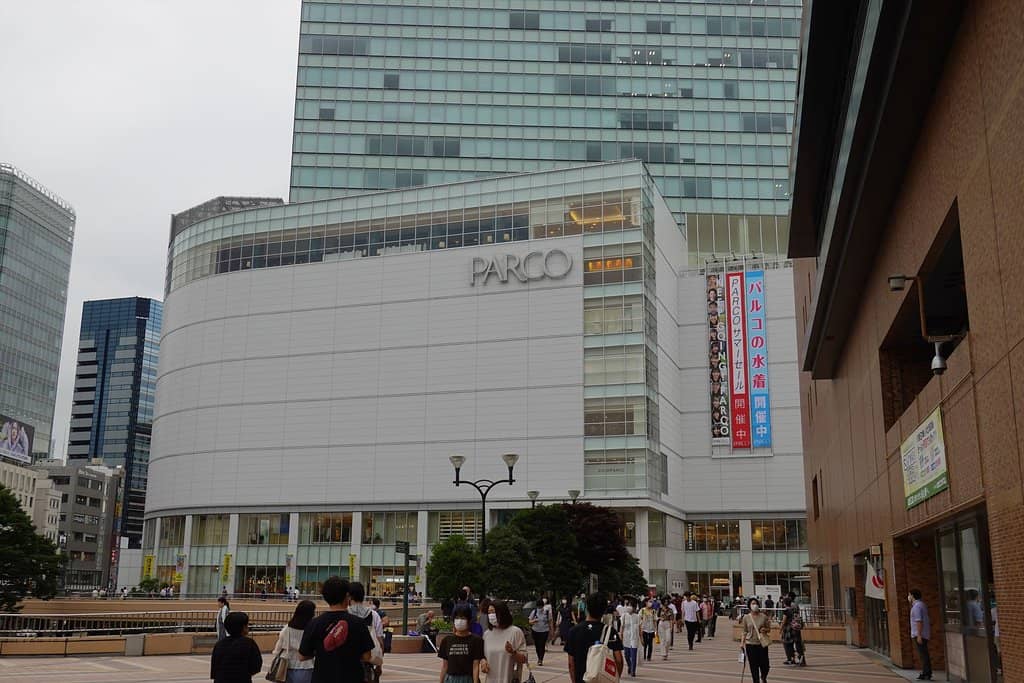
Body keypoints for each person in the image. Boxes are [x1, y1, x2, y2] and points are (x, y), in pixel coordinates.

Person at [298, 576, 375, 683]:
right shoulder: (358, 623)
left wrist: (322, 651)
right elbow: (367, 656)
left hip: (322, 677)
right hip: (352, 677)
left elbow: (302, 656)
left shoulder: (314, 623)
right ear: (347, 596)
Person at [565, 593, 623, 683]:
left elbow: (571, 663)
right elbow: (619, 660)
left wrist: (574, 680)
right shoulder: (610, 632)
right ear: (604, 610)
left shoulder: (574, 631)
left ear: (587, 608)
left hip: (582, 679)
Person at [481, 601, 527, 683]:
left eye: (493, 612)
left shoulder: (515, 632)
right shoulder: (486, 634)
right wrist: (483, 662)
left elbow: (524, 659)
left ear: (502, 612)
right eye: (489, 612)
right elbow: (483, 656)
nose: (491, 615)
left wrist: (513, 652)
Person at [210, 611, 263, 683]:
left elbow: (214, 668)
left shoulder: (219, 644)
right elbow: (256, 666)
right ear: (244, 627)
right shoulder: (249, 643)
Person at [273, 599, 317, 683]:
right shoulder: (312, 628)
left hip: (286, 667)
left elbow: (278, 648)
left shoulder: (287, 628)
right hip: (306, 666)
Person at [438, 604, 484, 683]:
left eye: (463, 618)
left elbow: (475, 666)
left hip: (467, 679)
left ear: (469, 621)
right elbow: (445, 666)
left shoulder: (476, 640)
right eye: (457, 618)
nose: (459, 621)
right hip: (450, 679)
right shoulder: (446, 640)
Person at [349, 582, 384, 683]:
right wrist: (379, 665)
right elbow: (380, 641)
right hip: (367, 663)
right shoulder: (374, 615)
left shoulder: (344, 614)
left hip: (347, 664)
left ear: (349, 596)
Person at [739, 598, 771, 683]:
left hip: (762, 644)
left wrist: (765, 629)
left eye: (756, 603)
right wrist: (742, 643)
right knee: (754, 666)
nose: (755, 605)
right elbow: (744, 631)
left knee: (765, 665)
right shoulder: (746, 617)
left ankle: (763, 677)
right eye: (752, 603)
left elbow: (769, 629)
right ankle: (756, 681)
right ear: (749, 606)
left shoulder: (763, 616)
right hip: (750, 644)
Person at [909, 589, 932, 681]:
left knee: (923, 654)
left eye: (909, 595)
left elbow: (919, 621)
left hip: (920, 634)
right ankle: (926, 672)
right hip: (923, 633)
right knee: (923, 654)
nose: (909, 597)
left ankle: (926, 673)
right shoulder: (921, 605)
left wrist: (919, 635)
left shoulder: (917, 607)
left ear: (913, 596)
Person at [780, 597, 805, 667]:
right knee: (798, 645)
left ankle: (791, 659)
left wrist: (780, 629)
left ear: (784, 603)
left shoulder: (786, 610)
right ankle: (802, 660)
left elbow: (784, 621)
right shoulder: (795, 608)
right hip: (796, 629)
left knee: (787, 644)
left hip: (789, 630)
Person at [528, 597, 552, 665]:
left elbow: (550, 621)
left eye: (541, 607)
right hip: (535, 630)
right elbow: (529, 621)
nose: (540, 608)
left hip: (544, 630)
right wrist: (534, 621)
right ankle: (539, 656)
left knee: (542, 645)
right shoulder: (534, 611)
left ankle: (540, 659)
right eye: (539, 607)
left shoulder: (547, 612)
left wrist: (551, 630)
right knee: (537, 645)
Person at [619, 599, 640, 677]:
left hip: (634, 638)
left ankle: (633, 671)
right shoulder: (624, 616)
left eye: (631, 606)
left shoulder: (637, 617)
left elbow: (640, 627)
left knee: (633, 655)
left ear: (634, 608)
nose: (629, 607)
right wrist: (621, 635)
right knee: (627, 655)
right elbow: (622, 626)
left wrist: (641, 638)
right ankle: (629, 665)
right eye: (628, 605)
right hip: (626, 638)